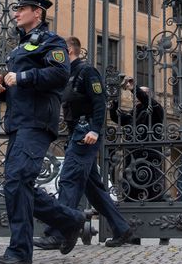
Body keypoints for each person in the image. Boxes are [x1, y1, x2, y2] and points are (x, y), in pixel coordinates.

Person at [0, 0, 85, 264]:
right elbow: (17, 88)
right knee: (17, 185)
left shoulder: (51, 41)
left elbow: (59, 74)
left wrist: (22, 76)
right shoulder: (19, 47)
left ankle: (19, 251)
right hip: (19, 122)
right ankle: (70, 219)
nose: (16, 13)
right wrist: (1, 90)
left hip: (38, 122)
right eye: (16, 9)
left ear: (37, 13)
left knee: (17, 182)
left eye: (21, 9)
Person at [33, 36, 135, 251]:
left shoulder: (87, 71)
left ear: (69, 51)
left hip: (85, 134)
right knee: (94, 189)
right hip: (76, 134)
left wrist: (95, 130)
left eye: (58, 52)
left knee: (68, 180)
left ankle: (59, 233)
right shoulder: (66, 74)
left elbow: (100, 102)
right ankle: (122, 228)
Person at [109, 77, 165, 202]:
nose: (135, 97)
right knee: (130, 191)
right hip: (132, 158)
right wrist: (116, 100)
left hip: (149, 157)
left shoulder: (155, 110)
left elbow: (147, 101)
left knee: (153, 192)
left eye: (140, 94)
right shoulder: (131, 114)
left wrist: (134, 88)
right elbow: (115, 116)